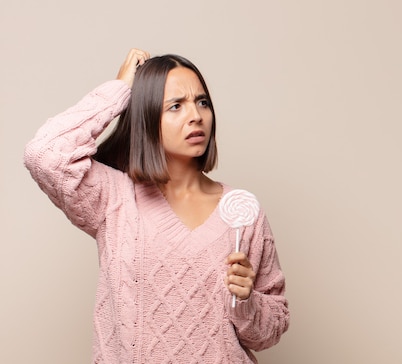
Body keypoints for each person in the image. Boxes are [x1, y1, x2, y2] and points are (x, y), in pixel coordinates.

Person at [23, 48, 289, 363]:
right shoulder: (115, 198)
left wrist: (246, 301)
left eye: (202, 102)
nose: (196, 116)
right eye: (175, 106)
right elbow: (44, 153)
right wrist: (118, 90)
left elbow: (271, 330)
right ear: (147, 116)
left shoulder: (242, 212)